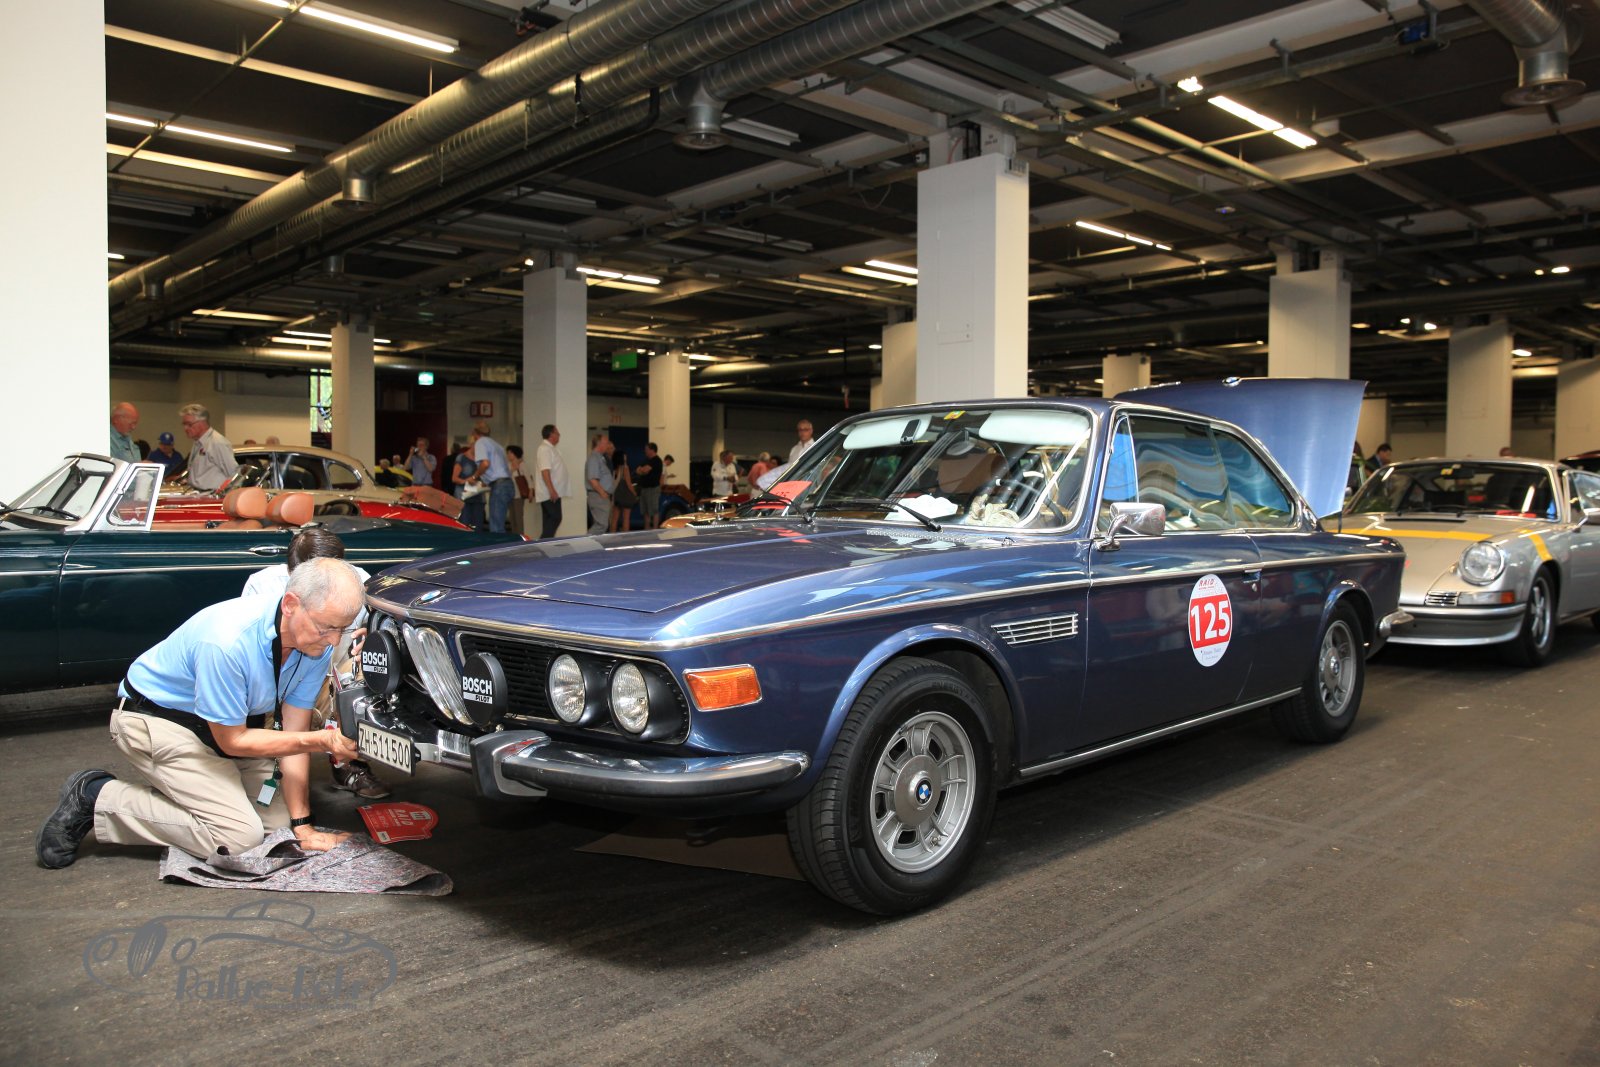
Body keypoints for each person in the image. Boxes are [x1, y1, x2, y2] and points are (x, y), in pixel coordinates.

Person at [36, 557, 365, 869]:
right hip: (160, 720)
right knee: (238, 838)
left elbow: (293, 738)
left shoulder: (313, 645)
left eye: (342, 629)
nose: (333, 640)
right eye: (326, 627)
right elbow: (234, 741)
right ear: (291, 604)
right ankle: (97, 797)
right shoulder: (227, 641)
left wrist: (303, 825)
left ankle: (195, 798)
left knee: (277, 826)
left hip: (225, 728)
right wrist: (323, 740)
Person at [241, 529, 388, 800]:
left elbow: (377, 634)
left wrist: (372, 638)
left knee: (370, 670)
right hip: (280, 684)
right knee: (268, 796)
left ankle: (346, 761)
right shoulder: (262, 586)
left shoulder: (358, 583)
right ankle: (270, 761)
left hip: (332, 678)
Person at [180, 403, 237, 493]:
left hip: (211, 494)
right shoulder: (198, 443)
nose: (185, 428)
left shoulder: (217, 442)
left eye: (189, 424)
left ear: (202, 423)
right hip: (198, 493)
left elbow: (233, 473)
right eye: (184, 424)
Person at [470, 420, 515, 534]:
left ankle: (499, 545)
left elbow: (485, 463)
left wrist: (474, 477)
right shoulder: (497, 445)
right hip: (508, 484)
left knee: (496, 527)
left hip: (499, 486)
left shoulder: (480, 442)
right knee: (500, 523)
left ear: (475, 433)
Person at [534, 425, 569, 539]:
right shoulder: (545, 449)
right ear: (551, 435)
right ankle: (542, 542)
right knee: (556, 517)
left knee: (549, 518)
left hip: (553, 491)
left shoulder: (550, 448)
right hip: (549, 492)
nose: (559, 435)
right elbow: (545, 470)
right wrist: (551, 490)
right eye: (557, 433)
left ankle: (545, 544)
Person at [452, 441, 486, 531]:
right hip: (464, 497)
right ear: (471, 445)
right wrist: (466, 481)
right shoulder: (461, 458)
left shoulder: (482, 460)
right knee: (464, 525)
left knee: (478, 526)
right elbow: (454, 478)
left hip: (478, 497)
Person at [585, 433, 615, 535]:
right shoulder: (594, 458)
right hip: (598, 496)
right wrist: (603, 493)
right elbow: (592, 479)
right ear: (599, 444)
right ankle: (585, 542)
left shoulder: (600, 458)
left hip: (600, 496)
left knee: (602, 524)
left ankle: (592, 543)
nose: (608, 445)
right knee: (601, 525)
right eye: (606, 443)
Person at [636, 442, 664, 529]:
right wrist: (643, 470)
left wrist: (643, 470)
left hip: (653, 489)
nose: (645, 451)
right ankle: (647, 529)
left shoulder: (657, 461)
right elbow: (638, 470)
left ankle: (655, 529)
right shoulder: (646, 460)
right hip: (644, 488)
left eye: (647, 449)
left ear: (652, 450)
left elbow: (644, 470)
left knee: (654, 510)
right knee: (645, 511)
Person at [610, 447, 637, 533]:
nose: (626, 457)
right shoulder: (625, 468)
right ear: (622, 458)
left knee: (614, 518)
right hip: (625, 496)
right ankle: (625, 536)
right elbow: (628, 484)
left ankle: (612, 535)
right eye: (625, 456)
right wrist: (634, 493)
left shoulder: (614, 468)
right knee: (626, 518)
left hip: (616, 495)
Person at [507, 444, 530, 538]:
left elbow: (528, 479)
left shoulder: (522, 465)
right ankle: (514, 537)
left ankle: (521, 538)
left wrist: (531, 491)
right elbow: (505, 477)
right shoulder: (508, 465)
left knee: (518, 518)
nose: (508, 455)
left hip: (518, 495)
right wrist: (512, 470)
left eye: (510, 453)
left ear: (515, 454)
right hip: (509, 495)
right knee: (512, 518)